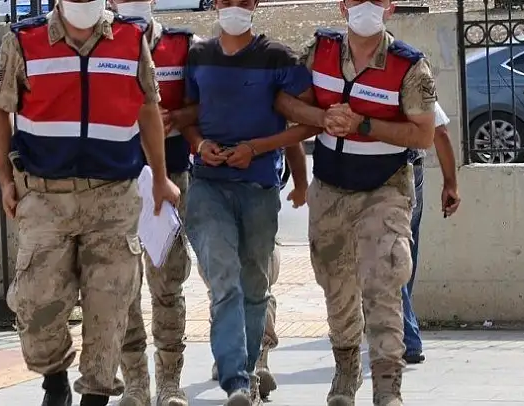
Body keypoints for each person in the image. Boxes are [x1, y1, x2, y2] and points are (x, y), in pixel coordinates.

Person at [0, 1, 180, 405]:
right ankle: (54, 378)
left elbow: (148, 108)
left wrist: (161, 178)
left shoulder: (130, 39)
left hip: (113, 198)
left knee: (110, 307)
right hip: (45, 198)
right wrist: (5, 179)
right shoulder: (23, 40)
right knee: (36, 302)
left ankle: (95, 394)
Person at [251, 0, 438, 403]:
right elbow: (282, 100)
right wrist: (321, 118)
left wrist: (363, 124)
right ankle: (346, 372)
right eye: (355, 0)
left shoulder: (409, 65)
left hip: (385, 189)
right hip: (331, 189)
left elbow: (423, 135)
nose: (365, 6)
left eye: (376, 0)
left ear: (389, 9)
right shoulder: (321, 51)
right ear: (342, 7)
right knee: (336, 288)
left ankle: (387, 389)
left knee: (383, 282)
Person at [179, 0, 311, 403]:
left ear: (255, 4)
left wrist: (257, 149)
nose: (234, 7)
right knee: (224, 281)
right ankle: (235, 379)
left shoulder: (278, 58)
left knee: (255, 285)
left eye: (243, 0)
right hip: (208, 186)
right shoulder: (198, 56)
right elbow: (188, 118)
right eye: (226, 1)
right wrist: (200, 145)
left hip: (258, 188)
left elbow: (309, 121)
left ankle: (250, 370)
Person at [105, 1, 200, 405]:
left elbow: (207, 103)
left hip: (170, 178)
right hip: (118, 180)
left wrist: (177, 117)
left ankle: (169, 383)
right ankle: (136, 384)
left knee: (167, 283)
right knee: (122, 287)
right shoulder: (102, 45)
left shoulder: (184, 45)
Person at [202, 154, 308, 400]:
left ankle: (253, 360)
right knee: (238, 285)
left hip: (253, 185)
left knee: (251, 285)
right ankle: (239, 359)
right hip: (223, 186)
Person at [402, 101, 461, 364]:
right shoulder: (414, 82)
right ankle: (399, 328)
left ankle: (407, 337)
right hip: (412, 168)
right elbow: (441, 133)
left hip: (386, 173)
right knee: (405, 252)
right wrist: (451, 184)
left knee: (389, 256)